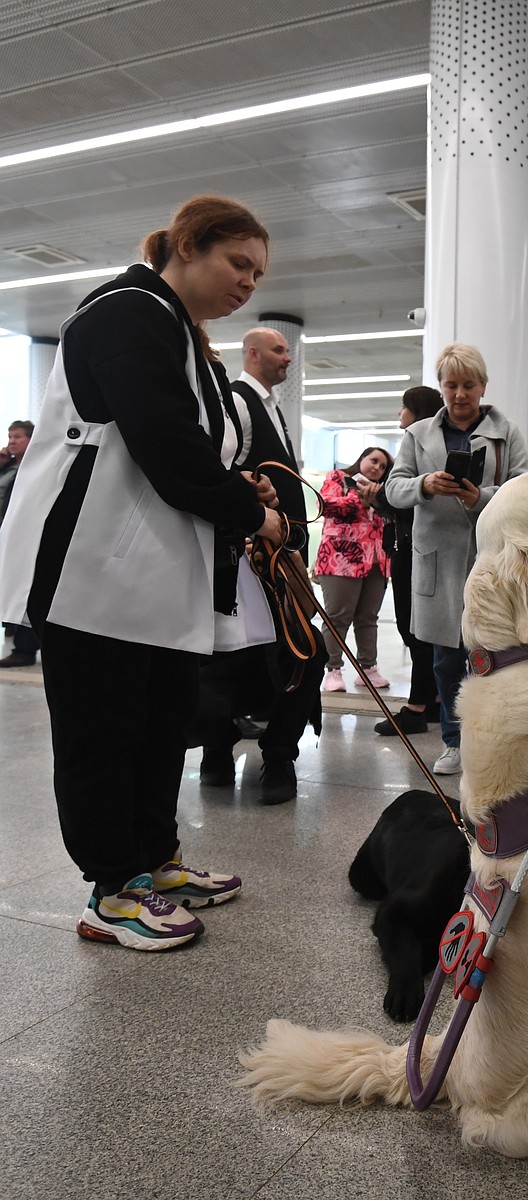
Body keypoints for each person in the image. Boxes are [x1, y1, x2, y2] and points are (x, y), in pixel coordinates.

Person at [0, 194, 283, 950]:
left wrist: (238, 483)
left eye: (257, 272)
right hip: (95, 575)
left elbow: (195, 442)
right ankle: (111, 890)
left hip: (156, 575)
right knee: (105, 734)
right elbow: (161, 440)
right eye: (238, 263)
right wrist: (254, 515)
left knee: (162, 726)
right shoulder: (127, 310)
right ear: (187, 245)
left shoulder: (179, 334)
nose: (248, 282)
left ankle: (155, 861)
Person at [384, 342, 528, 775]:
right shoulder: (417, 435)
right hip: (437, 562)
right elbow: (394, 489)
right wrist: (425, 485)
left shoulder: (507, 433)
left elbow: (525, 491)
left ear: (483, 386)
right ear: (441, 387)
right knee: (446, 659)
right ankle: (454, 740)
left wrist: (479, 497)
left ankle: (496, 740)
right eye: (451, 385)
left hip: (490, 561)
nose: (460, 394)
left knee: (495, 655)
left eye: (469, 385)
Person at [193, 327, 326, 804]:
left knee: (302, 651)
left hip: (277, 562)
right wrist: (253, 498)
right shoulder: (238, 401)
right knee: (227, 659)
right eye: (279, 349)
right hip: (242, 560)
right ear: (252, 354)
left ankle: (278, 755)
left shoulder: (269, 406)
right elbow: (219, 469)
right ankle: (217, 749)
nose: (288, 356)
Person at [375, 384, 444, 736]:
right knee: (420, 627)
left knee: (414, 626)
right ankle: (430, 701)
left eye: (404, 408)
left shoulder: (418, 446)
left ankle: (417, 707)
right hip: (412, 547)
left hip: (413, 549)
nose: (399, 415)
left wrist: (379, 496)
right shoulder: (431, 445)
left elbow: (398, 498)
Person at [314, 445, 394, 692]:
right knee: (338, 617)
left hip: (376, 562)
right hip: (340, 559)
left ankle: (368, 669)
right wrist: (359, 497)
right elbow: (325, 506)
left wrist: (378, 500)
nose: (377, 468)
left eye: (383, 467)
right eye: (374, 460)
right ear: (361, 458)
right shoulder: (338, 478)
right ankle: (333, 670)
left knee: (368, 618)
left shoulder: (383, 490)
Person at [0, 420, 40, 667]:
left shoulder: (36, 466)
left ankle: (25, 649)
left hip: (25, 534)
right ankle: (13, 629)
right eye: (10, 437)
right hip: (7, 533)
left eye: (18, 437)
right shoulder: (10, 467)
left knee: (28, 588)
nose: (12, 441)